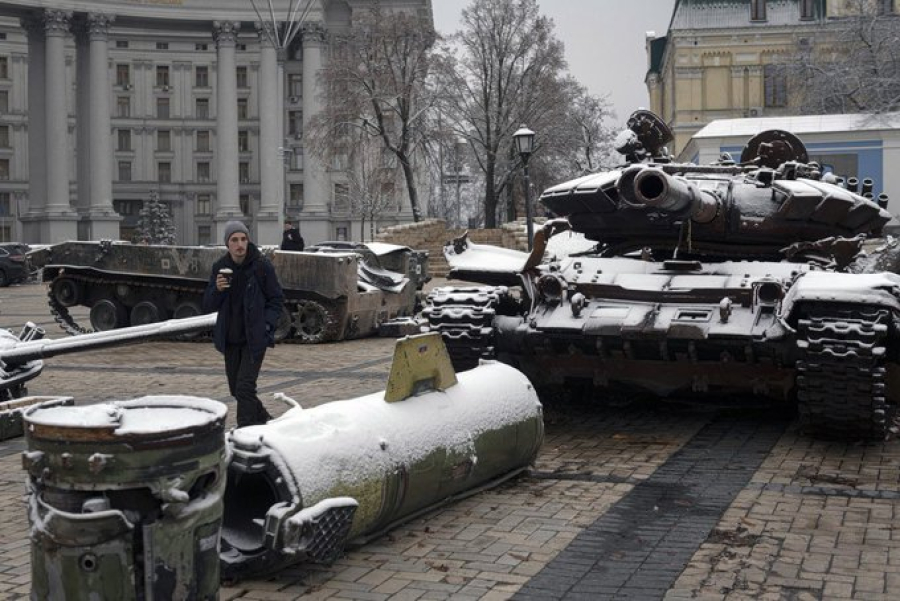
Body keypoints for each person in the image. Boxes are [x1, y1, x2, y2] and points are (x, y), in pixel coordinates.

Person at [203, 220, 284, 427]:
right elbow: (209, 305)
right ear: (227, 244)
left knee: (245, 388)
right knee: (235, 390)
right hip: (230, 339)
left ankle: (245, 432)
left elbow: (276, 299)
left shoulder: (261, 265)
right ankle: (265, 420)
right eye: (234, 240)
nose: (240, 244)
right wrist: (217, 290)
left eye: (243, 239)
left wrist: (267, 326)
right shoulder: (220, 268)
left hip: (254, 338)